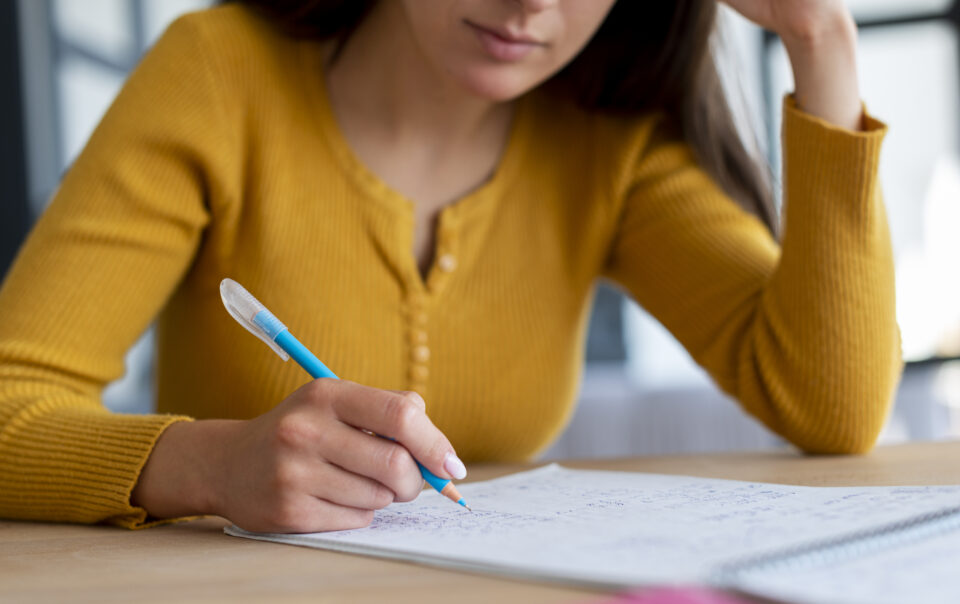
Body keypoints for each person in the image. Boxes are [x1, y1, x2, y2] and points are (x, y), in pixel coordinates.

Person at [0, 0, 900, 533]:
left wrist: (820, 34)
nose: (529, 5)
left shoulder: (611, 147)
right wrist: (212, 463)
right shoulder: (216, 77)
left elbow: (834, 403)